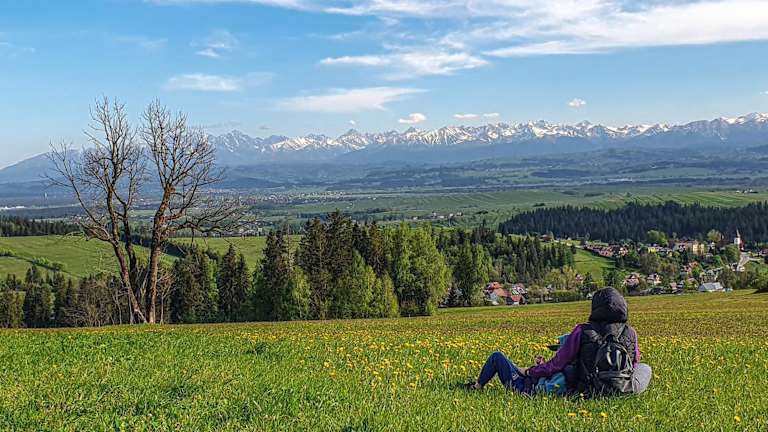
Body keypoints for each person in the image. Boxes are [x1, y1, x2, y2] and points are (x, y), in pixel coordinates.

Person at [464, 287, 652, 396]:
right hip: (623, 387)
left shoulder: (583, 331)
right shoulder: (630, 333)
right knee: (645, 367)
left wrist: (530, 371)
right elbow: (634, 363)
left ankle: (477, 386)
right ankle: (623, 388)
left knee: (498, 357)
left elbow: (557, 364)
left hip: (590, 389)